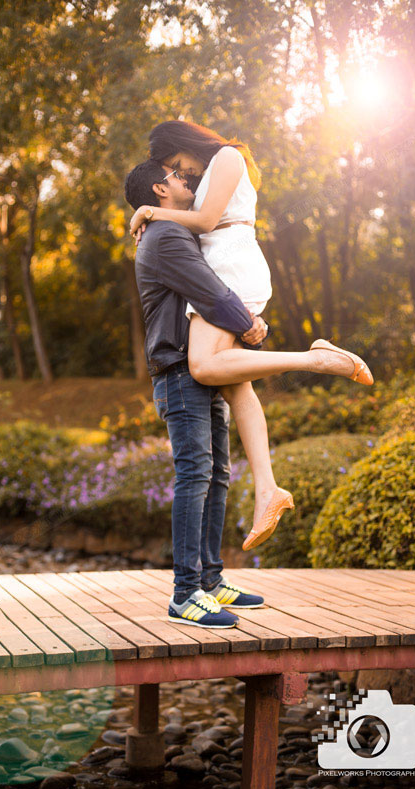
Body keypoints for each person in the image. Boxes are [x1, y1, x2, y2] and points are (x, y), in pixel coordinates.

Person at [129, 120, 374, 551]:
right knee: (234, 384)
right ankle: (268, 490)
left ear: (184, 145)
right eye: (171, 171)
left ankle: (314, 359)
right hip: (223, 267)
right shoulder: (207, 172)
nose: (180, 173)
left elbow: (205, 221)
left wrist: (150, 211)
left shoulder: (227, 157)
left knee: (204, 367)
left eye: (174, 163)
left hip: (233, 266)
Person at [125, 158, 269, 629]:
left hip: (200, 370)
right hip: (178, 372)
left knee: (218, 473)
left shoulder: (171, 230)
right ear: (158, 189)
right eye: (175, 177)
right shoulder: (165, 239)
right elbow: (209, 292)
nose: (185, 180)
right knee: (196, 475)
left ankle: (210, 579)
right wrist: (248, 324)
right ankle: (185, 593)